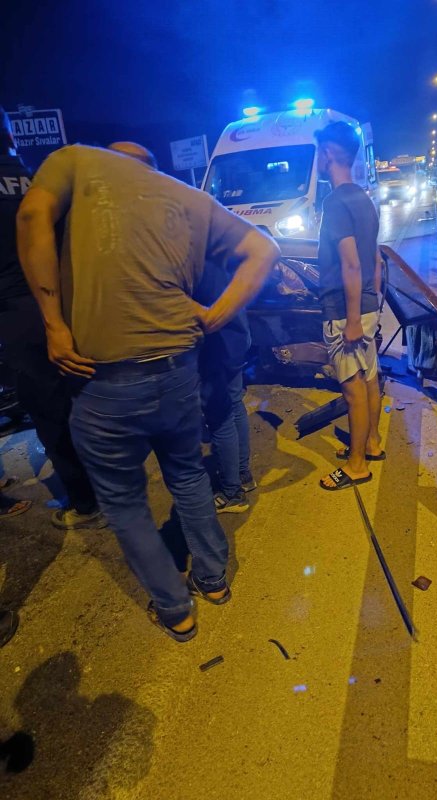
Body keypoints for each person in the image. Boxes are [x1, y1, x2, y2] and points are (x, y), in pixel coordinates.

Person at [17, 141, 279, 641]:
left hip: (105, 381)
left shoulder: (77, 161)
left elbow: (31, 216)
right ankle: (213, 579)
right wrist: (215, 316)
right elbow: (264, 250)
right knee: (187, 475)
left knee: (123, 500)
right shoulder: (190, 198)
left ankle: (176, 609)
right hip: (177, 371)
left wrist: (53, 323)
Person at [0, 106, 103, 528]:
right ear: (10, 136)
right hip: (68, 302)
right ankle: (113, 482)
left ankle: (87, 502)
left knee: (48, 410)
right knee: (82, 395)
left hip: (20, 313)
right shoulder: (35, 179)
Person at [315, 122, 385, 491]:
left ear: (328, 153)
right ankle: (372, 443)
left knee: (352, 388)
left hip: (345, 310)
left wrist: (353, 320)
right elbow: (376, 259)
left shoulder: (335, 202)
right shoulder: (364, 199)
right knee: (369, 378)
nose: (317, 159)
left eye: (318, 152)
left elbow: (352, 264)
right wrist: (373, 304)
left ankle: (356, 466)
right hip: (367, 303)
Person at [197, 263, 255, 513]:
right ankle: (242, 474)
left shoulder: (199, 259)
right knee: (234, 404)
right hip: (235, 339)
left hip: (215, 347)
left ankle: (232, 492)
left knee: (219, 419)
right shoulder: (224, 251)